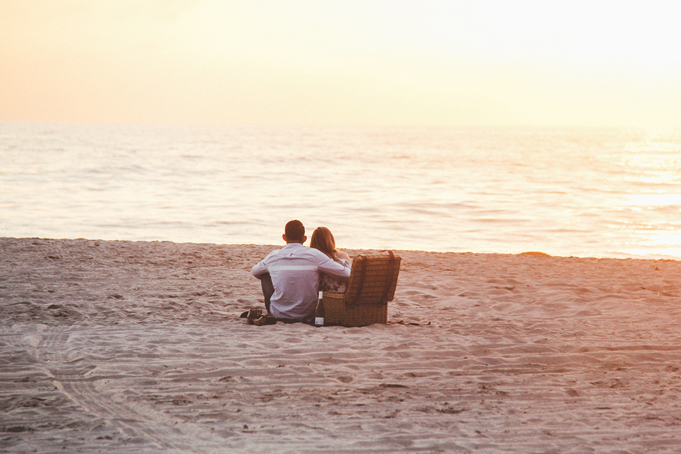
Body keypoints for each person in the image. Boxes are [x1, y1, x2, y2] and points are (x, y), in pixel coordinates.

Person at [251, 220, 351, 322]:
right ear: (304, 239)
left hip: (278, 313)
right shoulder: (314, 255)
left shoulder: (273, 256)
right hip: (308, 314)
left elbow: (255, 271)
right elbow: (347, 274)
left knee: (264, 275)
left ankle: (270, 310)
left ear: (284, 237)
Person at [310, 226, 351, 293]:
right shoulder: (343, 255)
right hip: (349, 292)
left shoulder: (317, 258)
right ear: (330, 239)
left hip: (329, 294)